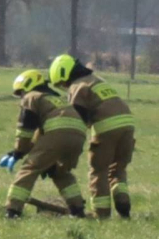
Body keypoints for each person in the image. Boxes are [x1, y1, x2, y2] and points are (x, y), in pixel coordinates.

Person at [49, 54, 135, 219]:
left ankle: (100, 214)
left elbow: (77, 119)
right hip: (128, 126)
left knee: (98, 170)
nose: (64, 87)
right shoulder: (97, 81)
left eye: (62, 83)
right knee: (117, 170)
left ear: (65, 75)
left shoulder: (77, 87)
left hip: (106, 128)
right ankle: (123, 206)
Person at [0, 70, 87, 219]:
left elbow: (25, 131)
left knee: (29, 168)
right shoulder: (55, 99)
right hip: (78, 136)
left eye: (21, 92)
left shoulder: (31, 97)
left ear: (28, 86)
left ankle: (12, 211)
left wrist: (18, 152)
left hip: (58, 135)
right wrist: (19, 152)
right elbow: (40, 135)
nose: (21, 96)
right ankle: (77, 210)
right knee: (60, 172)